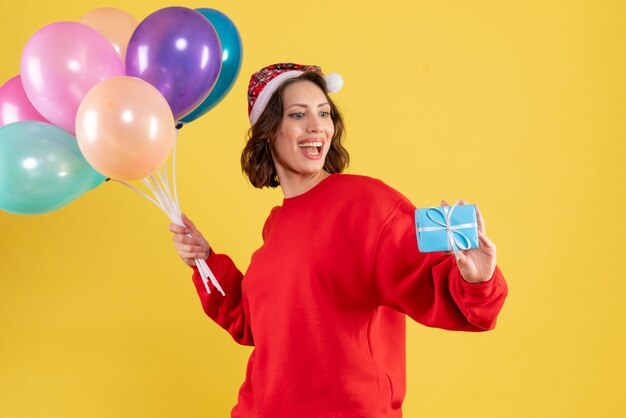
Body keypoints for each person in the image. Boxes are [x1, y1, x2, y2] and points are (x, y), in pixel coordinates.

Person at [169, 63, 508, 418]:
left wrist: (477, 280)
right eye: (298, 114)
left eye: (324, 113)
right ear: (268, 131)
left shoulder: (367, 204)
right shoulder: (275, 226)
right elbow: (258, 327)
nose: (317, 126)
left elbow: (443, 289)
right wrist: (204, 260)